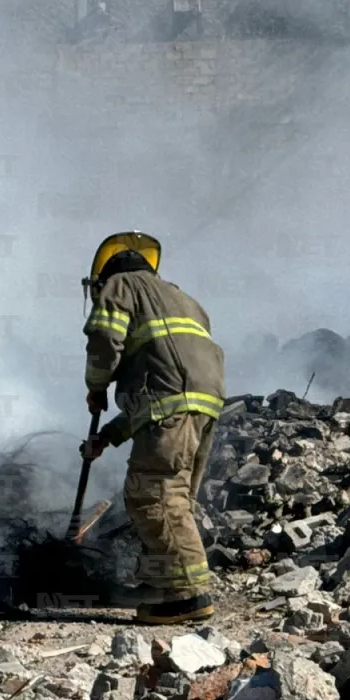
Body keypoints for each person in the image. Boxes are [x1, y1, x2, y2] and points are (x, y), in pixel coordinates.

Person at [77, 231, 225, 625]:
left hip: (175, 405)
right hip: (203, 404)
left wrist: (95, 386)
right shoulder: (182, 298)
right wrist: (107, 436)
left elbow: (105, 340)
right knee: (174, 493)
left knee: (155, 493)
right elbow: (158, 396)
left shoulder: (120, 286)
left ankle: (188, 596)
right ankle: (162, 584)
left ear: (104, 277)